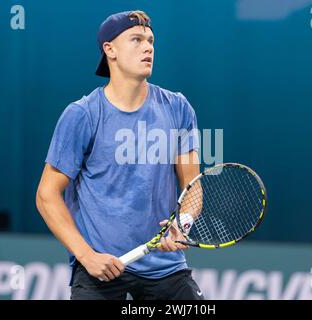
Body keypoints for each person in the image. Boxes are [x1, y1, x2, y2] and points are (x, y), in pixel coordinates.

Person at [36, 10, 204, 300]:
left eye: (151, 40)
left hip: (166, 270)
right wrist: (86, 256)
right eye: (136, 39)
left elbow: (193, 186)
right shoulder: (82, 115)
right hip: (100, 268)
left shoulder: (178, 108)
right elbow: (47, 195)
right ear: (109, 50)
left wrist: (182, 223)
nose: (148, 47)